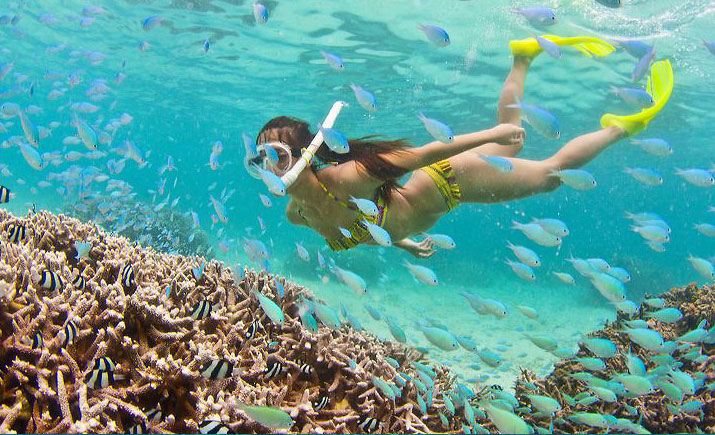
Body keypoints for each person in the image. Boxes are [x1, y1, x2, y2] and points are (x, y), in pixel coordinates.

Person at [251, 36, 672, 258]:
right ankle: (523, 57)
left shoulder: (344, 177)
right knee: (514, 131)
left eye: (276, 156)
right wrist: (403, 241)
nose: (267, 167)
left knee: (550, 177)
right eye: (259, 159)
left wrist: (489, 136)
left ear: (305, 156)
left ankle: (624, 125)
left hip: (452, 180)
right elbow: (365, 226)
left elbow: (422, 156)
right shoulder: (297, 214)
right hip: (438, 199)